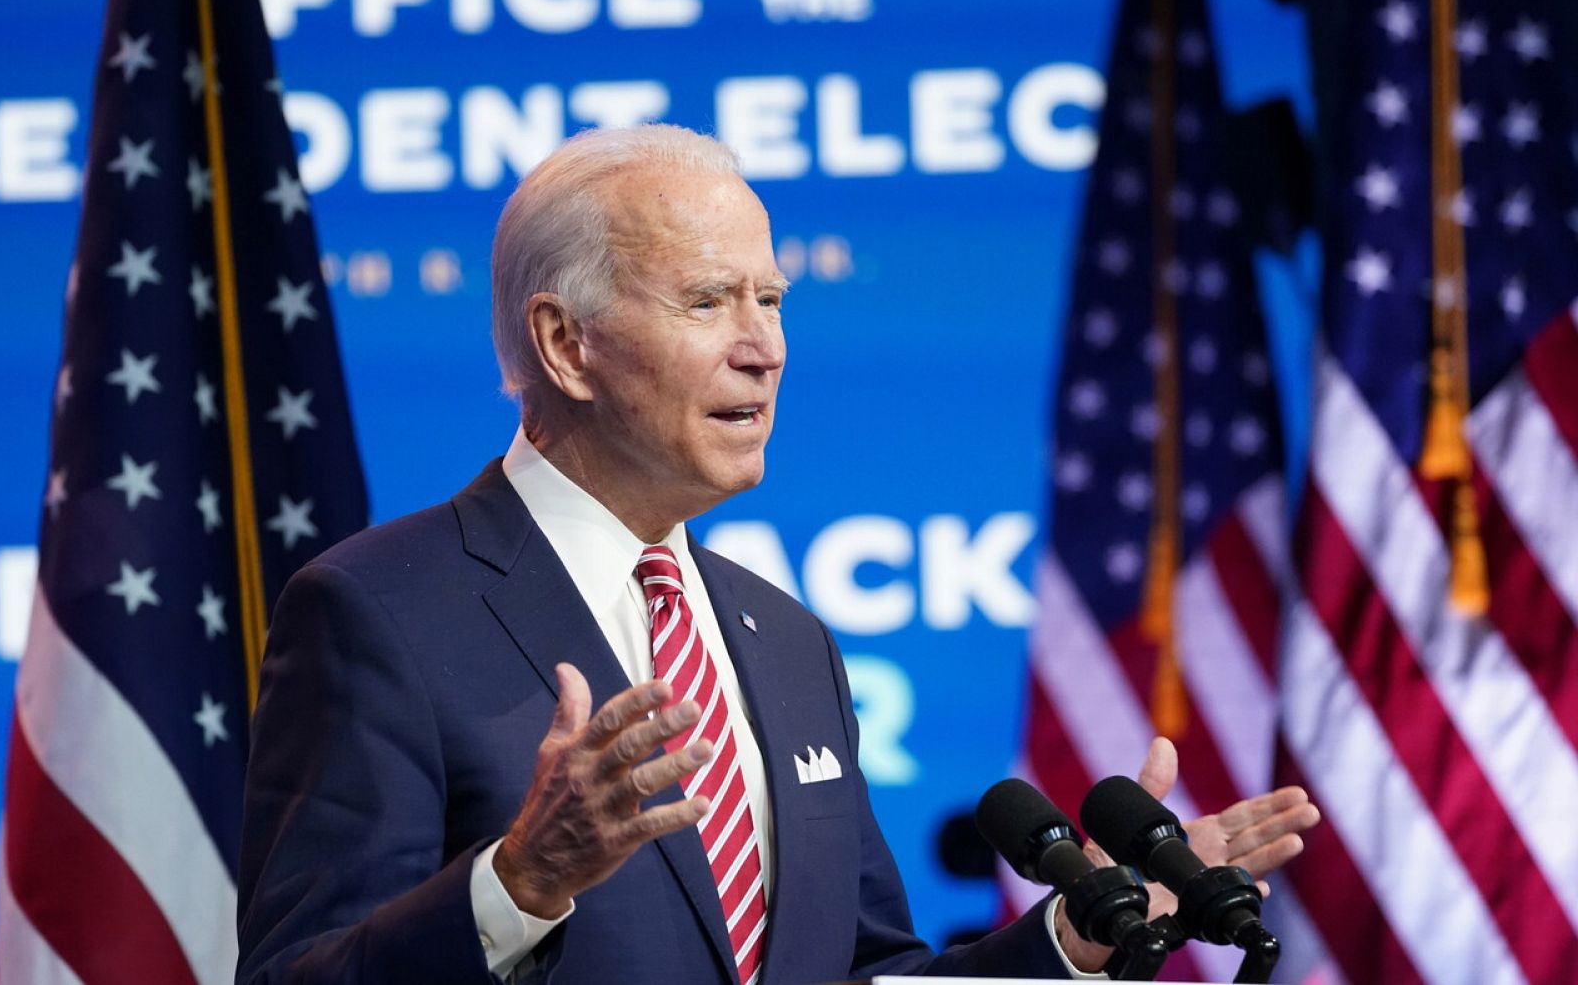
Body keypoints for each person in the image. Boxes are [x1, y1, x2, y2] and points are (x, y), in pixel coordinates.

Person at [236, 124, 1319, 983]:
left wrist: (1076, 937)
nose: (763, 350)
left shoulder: (787, 642)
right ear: (566, 344)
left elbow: (865, 973)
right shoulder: (378, 611)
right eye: (707, 301)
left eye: (770, 300)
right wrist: (517, 884)